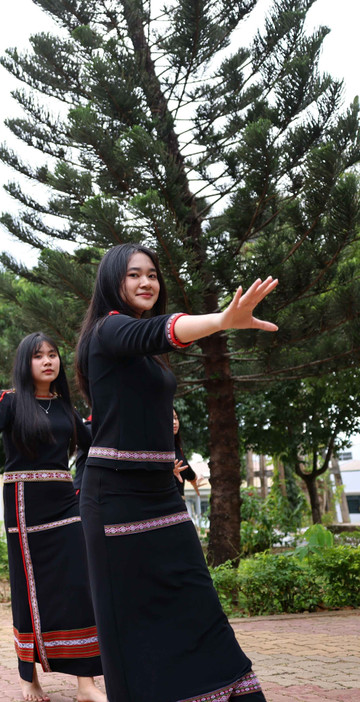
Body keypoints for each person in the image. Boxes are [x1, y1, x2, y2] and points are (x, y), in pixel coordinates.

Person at [75, 242, 274, 701]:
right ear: (112, 282)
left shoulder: (140, 345)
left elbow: (145, 369)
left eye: (152, 274)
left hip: (161, 495)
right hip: (115, 501)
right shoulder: (109, 330)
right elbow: (167, 330)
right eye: (133, 275)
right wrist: (223, 319)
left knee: (197, 607)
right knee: (134, 629)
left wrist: (162, 428)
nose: (146, 282)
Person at [0, 333, 106, 702]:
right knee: (30, 589)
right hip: (25, 505)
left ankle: (86, 683)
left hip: (65, 502)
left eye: (53, 355)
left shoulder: (65, 408)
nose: (48, 361)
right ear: (25, 363)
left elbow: (93, 442)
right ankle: (28, 678)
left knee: (78, 584)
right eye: (38, 356)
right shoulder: (11, 401)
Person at [173, 408, 202, 500]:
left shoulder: (178, 448)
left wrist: (195, 482)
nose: (174, 422)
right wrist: (169, 471)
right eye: (170, 419)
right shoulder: (155, 449)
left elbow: (187, 470)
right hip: (163, 505)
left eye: (176, 418)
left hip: (179, 505)